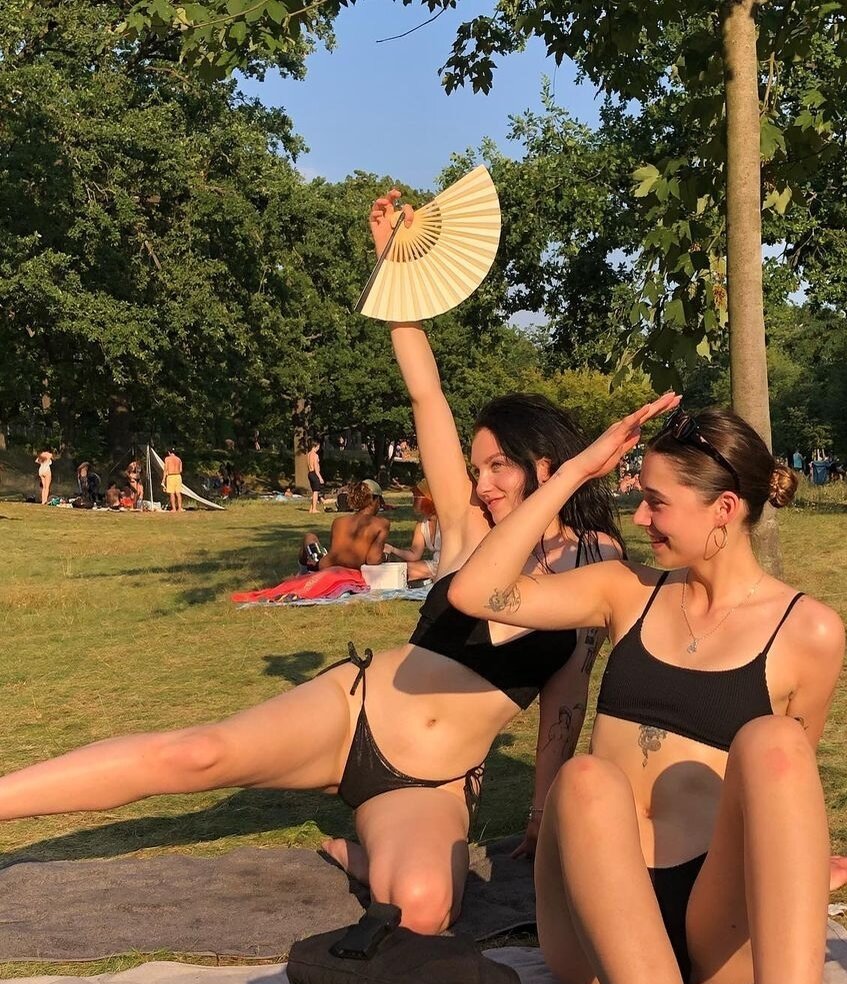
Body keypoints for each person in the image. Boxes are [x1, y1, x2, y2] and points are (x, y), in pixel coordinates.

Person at [0, 190, 625, 937]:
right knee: (196, 754)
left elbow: (567, 696)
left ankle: (357, 852)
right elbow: (426, 393)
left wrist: (541, 810)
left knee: (424, 909)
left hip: (433, 780)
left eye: (498, 467)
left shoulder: (597, 562)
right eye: (477, 464)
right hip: (353, 711)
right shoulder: (466, 521)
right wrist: (394, 269)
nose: (480, 481)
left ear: (545, 465)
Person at [449, 401, 847, 984]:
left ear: (724, 508)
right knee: (584, 779)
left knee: (775, 743)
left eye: (657, 502)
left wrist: (804, 872)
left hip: (714, 924)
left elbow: (784, 792)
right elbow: (474, 593)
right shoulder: (625, 590)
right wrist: (575, 471)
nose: (639, 517)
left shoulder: (809, 630)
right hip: (593, 930)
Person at [299, 480, 391, 573]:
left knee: (309, 537)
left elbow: (337, 552)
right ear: (375, 500)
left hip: (325, 567)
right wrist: (385, 556)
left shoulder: (338, 521)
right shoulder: (381, 524)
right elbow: (373, 560)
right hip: (348, 571)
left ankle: (302, 572)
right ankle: (302, 574)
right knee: (310, 537)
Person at [384, 479, 441, 584]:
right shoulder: (421, 525)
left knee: (402, 572)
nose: (415, 502)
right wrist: (392, 549)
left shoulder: (446, 523)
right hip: (433, 565)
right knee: (399, 570)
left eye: (418, 498)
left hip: (449, 566)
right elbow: (414, 555)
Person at [306, 440, 324, 514]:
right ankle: (314, 509)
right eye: (318, 447)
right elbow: (316, 468)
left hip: (310, 473)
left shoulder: (308, 454)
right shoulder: (315, 455)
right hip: (314, 473)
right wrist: (320, 477)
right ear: (314, 446)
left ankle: (311, 508)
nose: (318, 449)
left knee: (314, 492)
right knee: (316, 492)